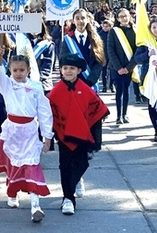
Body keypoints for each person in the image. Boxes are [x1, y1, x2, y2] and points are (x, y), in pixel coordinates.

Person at [0, 48, 53, 223]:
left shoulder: (36, 87)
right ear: (10, 70)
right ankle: (12, 192)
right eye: (15, 70)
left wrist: (47, 135)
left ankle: (35, 204)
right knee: (14, 165)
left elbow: (44, 112)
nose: (18, 73)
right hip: (12, 132)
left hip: (30, 131)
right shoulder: (7, 85)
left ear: (28, 70)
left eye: (22, 70)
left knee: (32, 164)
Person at [48, 54, 109, 216]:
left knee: (82, 164)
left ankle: (74, 183)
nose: (68, 71)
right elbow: (49, 115)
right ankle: (68, 198)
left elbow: (98, 108)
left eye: (72, 69)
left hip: (83, 134)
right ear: (60, 70)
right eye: (65, 68)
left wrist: (95, 135)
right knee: (65, 166)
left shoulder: (85, 89)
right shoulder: (56, 92)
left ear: (79, 70)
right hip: (63, 136)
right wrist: (48, 136)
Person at [107, 8, 138, 125]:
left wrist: (129, 67)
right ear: (117, 18)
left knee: (126, 90)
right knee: (119, 90)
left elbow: (137, 51)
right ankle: (118, 115)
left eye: (126, 16)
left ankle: (125, 114)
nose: (124, 18)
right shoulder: (114, 31)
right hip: (116, 67)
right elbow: (110, 50)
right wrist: (118, 67)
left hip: (129, 66)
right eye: (121, 16)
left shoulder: (135, 31)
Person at [60, 8, 105, 89]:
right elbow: (63, 61)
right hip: (73, 83)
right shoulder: (67, 40)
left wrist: (90, 81)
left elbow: (99, 62)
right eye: (77, 18)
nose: (80, 21)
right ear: (73, 21)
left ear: (87, 20)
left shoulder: (96, 39)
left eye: (83, 18)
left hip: (90, 84)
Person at [98, 19, 115, 93]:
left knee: (112, 71)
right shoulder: (100, 34)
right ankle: (104, 86)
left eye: (107, 26)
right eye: (104, 26)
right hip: (104, 54)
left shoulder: (112, 34)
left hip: (111, 55)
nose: (105, 28)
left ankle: (111, 85)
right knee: (104, 71)